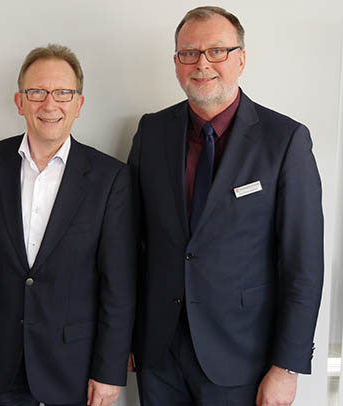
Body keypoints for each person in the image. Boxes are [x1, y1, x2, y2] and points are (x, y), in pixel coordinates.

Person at [128, 6, 324, 406]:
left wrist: (286, 367)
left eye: (217, 51)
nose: (202, 64)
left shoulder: (284, 140)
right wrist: (126, 338)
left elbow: (303, 265)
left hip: (243, 359)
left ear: (241, 59)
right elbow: (131, 243)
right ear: (177, 62)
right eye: (189, 53)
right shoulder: (152, 131)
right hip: (158, 355)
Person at [0, 44, 137, 406]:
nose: (50, 104)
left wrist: (109, 370)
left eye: (63, 93)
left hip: (74, 368)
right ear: (20, 101)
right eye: (37, 92)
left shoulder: (110, 177)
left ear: (79, 104)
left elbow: (118, 285)